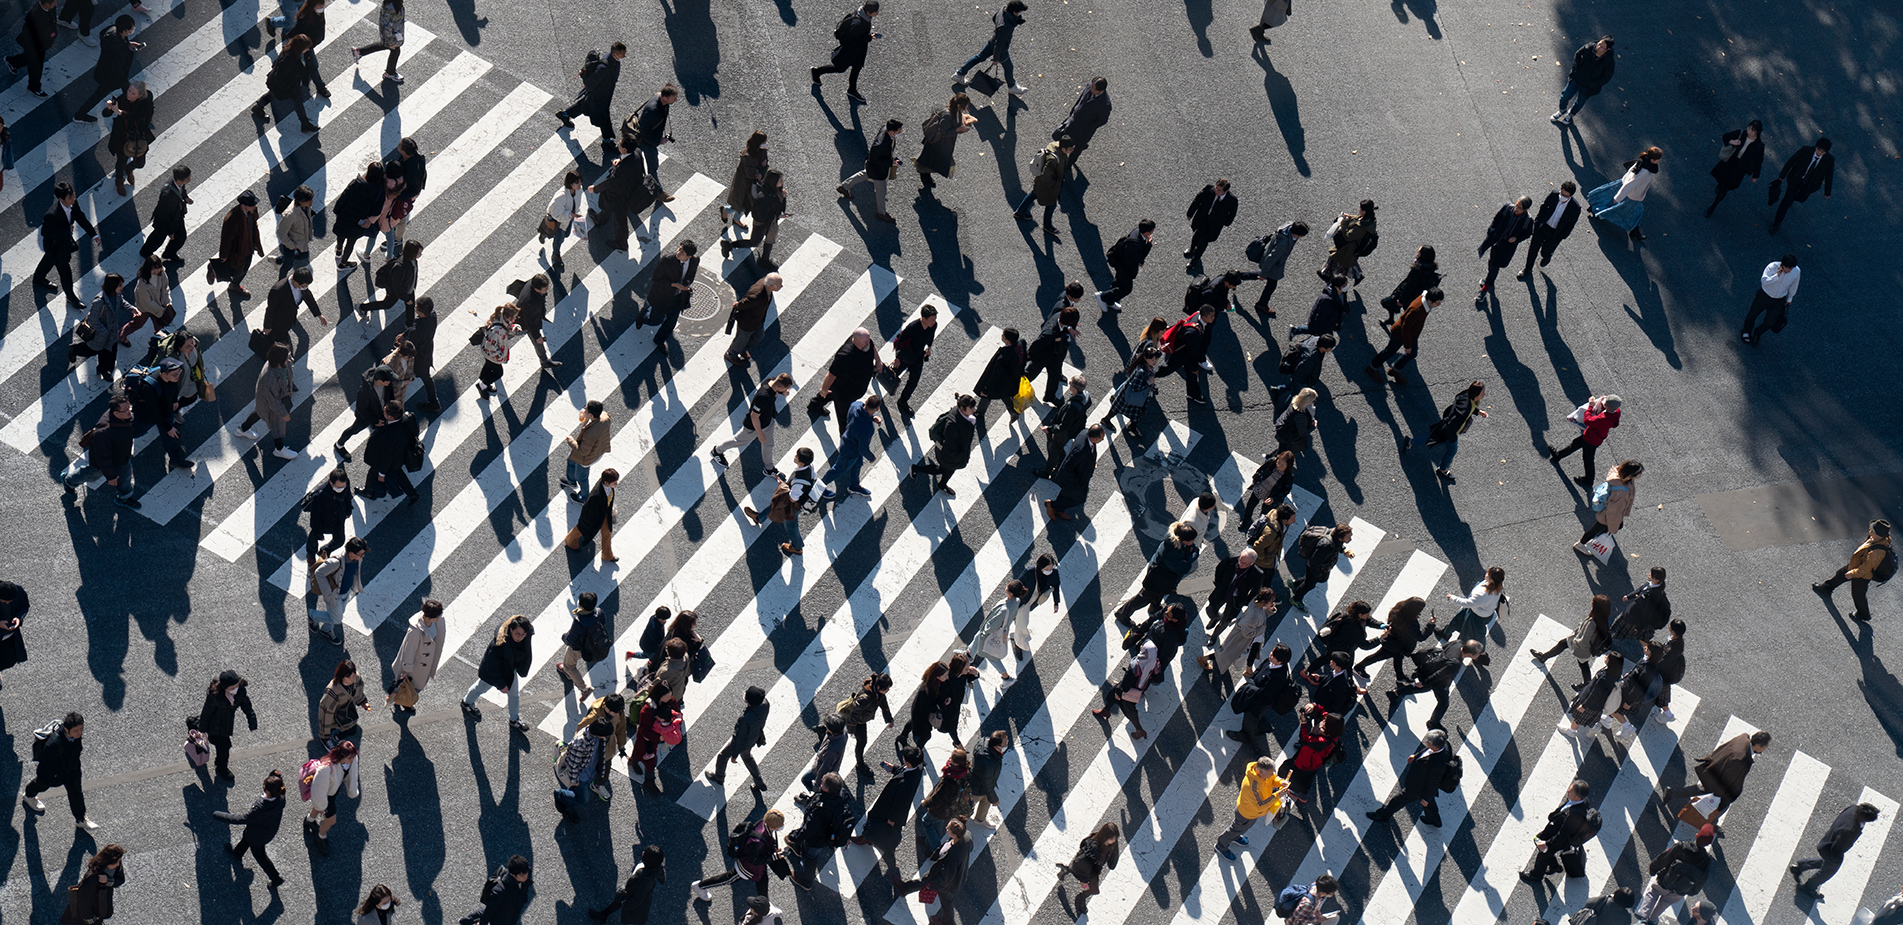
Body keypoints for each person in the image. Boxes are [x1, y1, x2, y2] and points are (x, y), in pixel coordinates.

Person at [1661, 730, 1771, 822]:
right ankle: (1711, 824)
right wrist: (1720, 795)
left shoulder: (1744, 738)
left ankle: (1672, 794)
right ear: (1757, 745)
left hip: (1714, 766)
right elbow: (1728, 778)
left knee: (1701, 789)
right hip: (1715, 776)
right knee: (1721, 804)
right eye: (1765, 747)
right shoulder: (1740, 759)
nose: (1765, 749)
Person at [1112, 521, 1201, 625]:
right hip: (1159, 578)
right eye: (1191, 540)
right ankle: (1122, 613)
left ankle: (1155, 608)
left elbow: (1195, 549)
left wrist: (1189, 556)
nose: (1193, 542)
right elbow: (1184, 568)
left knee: (1159, 593)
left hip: (1163, 577)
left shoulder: (1178, 541)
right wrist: (1190, 559)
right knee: (1143, 598)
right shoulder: (1173, 552)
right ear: (1184, 540)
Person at [1402, 379, 1489, 482]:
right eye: (1482, 392)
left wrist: (1478, 411)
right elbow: (1454, 424)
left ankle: (1409, 441)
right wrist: (1452, 438)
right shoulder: (1464, 411)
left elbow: (1470, 407)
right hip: (1450, 431)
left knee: (1432, 438)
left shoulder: (1468, 396)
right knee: (1452, 450)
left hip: (1445, 426)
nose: (1484, 394)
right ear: (1476, 394)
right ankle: (1442, 470)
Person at [1366, 728, 1453, 828]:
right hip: (1421, 783)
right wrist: (1416, 756)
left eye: (1429, 742)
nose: (1426, 742)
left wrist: (1426, 798)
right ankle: (1434, 819)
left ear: (1436, 747)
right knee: (1429, 804)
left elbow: (1433, 783)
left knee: (1398, 800)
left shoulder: (1438, 765)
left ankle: (1382, 815)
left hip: (1417, 786)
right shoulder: (1445, 744)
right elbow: (1428, 751)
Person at [1392, 638, 1487, 730]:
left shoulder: (1458, 643)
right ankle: (1433, 723)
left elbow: (1444, 647)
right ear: (1470, 654)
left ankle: (1395, 693)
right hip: (1440, 683)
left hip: (1431, 667)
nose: (1479, 654)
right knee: (1443, 703)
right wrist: (1424, 682)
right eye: (1478, 653)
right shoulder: (1455, 662)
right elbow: (1439, 675)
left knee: (1423, 688)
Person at [214, 770, 287, 887]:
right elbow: (277, 784)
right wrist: (276, 776)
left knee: (260, 856)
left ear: (267, 791)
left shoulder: (260, 809)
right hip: (267, 830)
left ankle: (276, 878)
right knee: (246, 838)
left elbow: (240, 818)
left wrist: (219, 815)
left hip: (257, 836)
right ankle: (237, 853)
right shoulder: (281, 798)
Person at [22, 711, 94, 829]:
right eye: (76, 730)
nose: (80, 733)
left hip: (71, 770)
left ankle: (80, 819)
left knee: (76, 793)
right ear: (66, 729)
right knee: (41, 785)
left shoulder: (75, 736)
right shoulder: (53, 744)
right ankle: (29, 795)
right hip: (53, 774)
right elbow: (45, 765)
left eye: (81, 729)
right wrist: (56, 775)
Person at [1791, 803, 1882, 896]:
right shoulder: (1850, 830)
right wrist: (1836, 860)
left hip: (1827, 840)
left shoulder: (1853, 808)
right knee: (1829, 870)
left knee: (1826, 863)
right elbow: (1838, 847)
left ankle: (1800, 866)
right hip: (1830, 849)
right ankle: (1809, 887)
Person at [854, 746, 922, 871]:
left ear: (908, 762)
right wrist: (894, 769)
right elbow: (904, 771)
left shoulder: (906, 784)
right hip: (892, 809)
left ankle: (867, 838)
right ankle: (878, 842)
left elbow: (899, 803)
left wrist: (891, 818)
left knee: (876, 822)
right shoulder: (916, 769)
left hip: (888, 809)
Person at [462, 615, 534, 731]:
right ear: (511, 630)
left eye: (523, 635)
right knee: (481, 688)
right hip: (493, 673)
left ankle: (514, 719)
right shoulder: (499, 644)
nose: (520, 637)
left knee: (514, 694)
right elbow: (491, 667)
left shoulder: (525, 637)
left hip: (509, 670)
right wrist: (501, 685)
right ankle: (467, 702)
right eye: (517, 634)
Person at [1519, 779, 1599, 883]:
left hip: (1557, 839)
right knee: (1538, 840)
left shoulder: (1575, 816)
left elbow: (1562, 835)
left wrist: (1547, 844)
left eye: (1570, 792)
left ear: (1578, 797)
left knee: (1543, 854)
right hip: (1554, 829)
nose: (1567, 792)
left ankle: (1536, 875)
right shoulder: (1578, 800)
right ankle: (1554, 866)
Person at [893, 818, 971, 925]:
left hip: (946, 883)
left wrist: (932, 885)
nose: (946, 828)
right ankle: (905, 888)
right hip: (955, 878)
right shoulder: (967, 836)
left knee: (937, 893)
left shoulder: (954, 855)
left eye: (948, 828)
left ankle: (904, 888)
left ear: (954, 834)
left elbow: (945, 877)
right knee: (946, 901)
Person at [1814, 519, 1892, 622]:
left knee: (1858, 594)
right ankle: (1826, 588)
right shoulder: (1875, 539)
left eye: (1872, 529)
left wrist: (1853, 573)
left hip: (1862, 574)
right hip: (1856, 564)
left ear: (1878, 534)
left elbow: (1866, 568)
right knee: (1841, 574)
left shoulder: (1877, 552)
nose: (1870, 529)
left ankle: (1864, 614)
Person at [33, 182, 97, 308]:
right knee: (65, 273)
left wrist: (93, 234)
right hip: (56, 247)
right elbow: (45, 232)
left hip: (62, 243)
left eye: (73, 195)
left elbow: (80, 216)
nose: (74, 198)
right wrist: (65, 230)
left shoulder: (72, 203)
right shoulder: (51, 215)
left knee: (48, 260)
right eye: (70, 197)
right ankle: (71, 298)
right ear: (61, 199)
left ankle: (38, 278)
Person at [712, 374, 793, 472]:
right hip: (754, 427)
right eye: (785, 388)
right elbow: (754, 416)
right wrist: (760, 434)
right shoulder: (763, 396)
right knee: (738, 441)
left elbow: (777, 392)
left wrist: (783, 392)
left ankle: (769, 468)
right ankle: (717, 451)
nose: (786, 390)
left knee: (768, 445)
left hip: (767, 422)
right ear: (779, 386)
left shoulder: (771, 381)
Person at [1212, 756, 1287, 860]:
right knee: (1235, 829)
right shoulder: (1252, 787)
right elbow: (1260, 804)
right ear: (1260, 772)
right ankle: (1221, 846)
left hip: (1253, 813)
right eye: (1271, 772)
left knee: (1242, 828)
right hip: (1246, 813)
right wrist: (1277, 795)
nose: (1273, 774)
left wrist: (1280, 782)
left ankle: (1236, 837)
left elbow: (1273, 778)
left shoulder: (1263, 775)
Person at [789, 771, 856, 889]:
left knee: (809, 858)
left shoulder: (821, 809)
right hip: (825, 836)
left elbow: (809, 829)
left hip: (816, 839)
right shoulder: (840, 796)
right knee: (810, 853)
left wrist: (794, 836)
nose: (820, 783)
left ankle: (805, 880)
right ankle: (800, 851)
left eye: (823, 783)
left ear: (828, 789)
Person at [744, 447, 815, 556]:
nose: (794, 456)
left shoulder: (799, 482)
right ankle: (759, 517)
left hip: (793, 507)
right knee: (775, 504)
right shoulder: (809, 467)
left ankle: (797, 547)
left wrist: (783, 485)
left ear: (801, 463)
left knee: (791, 527)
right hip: (799, 498)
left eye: (796, 456)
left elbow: (792, 498)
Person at [1636, 825, 1715, 923]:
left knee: (1653, 892)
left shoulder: (1681, 847)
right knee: (1665, 903)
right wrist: (1691, 891)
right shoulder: (1706, 861)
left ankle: (1643, 916)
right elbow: (1702, 880)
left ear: (1697, 835)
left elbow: (1664, 858)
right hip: (1680, 890)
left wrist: (1653, 869)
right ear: (1708, 844)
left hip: (1665, 881)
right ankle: (1652, 920)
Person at [590, 138, 655, 253]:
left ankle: (622, 243)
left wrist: (595, 189)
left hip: (622, 195)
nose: (618, 145)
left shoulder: (622, 169)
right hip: (632, 188)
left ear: (624, 149)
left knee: (620, 219)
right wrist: (619, 160)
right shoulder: (637, 152)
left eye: (619, 144)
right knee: (611, 206)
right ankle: (600, 219)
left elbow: (611, 182)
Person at [807, 328, 886, 423]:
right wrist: (823, 389)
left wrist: (878, 361)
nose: (868, 343)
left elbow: (873, 347)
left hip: (853, 387)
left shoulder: (866, 343)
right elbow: (831, 375)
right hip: (844, 393)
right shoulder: (844, 356)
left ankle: (814, 405)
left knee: (830, 394)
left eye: (868, 340)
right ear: (856, 340)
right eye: (865, 341)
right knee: (844, 417)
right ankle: (844, 435)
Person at [1365, 288, 1440, 387]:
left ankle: (1395, 369)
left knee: (1412, 354)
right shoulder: (1417, 310)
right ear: (1430, 301)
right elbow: (1406, 328)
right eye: (1437, 303)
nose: (1438, 305)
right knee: (1389, 352)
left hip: (1411, 334)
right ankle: (1372, 367)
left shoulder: (1425, 302)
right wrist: (1407, 346)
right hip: (1400, 334)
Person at [910, 394, 981, 498]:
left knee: (948, 470)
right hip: (949, 455)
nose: (974, 410)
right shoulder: (953, 425)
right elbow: (950, 446)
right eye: (971, 408)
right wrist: (960, 455)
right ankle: (917, 469)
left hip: (954, 455)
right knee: (943, 469)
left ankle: (941, 484)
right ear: (962, 408)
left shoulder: (961, 415)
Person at [1531, 593, 1613, 684]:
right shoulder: (1602, 620)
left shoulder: (1592, 624)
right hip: (1587, 650)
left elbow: (1583, 642)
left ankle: (1586, 684)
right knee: (1565, 646)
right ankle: (1544, 657)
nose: (1591, 602)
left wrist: (1574, 640)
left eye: (1593, 602)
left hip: (1581, 648)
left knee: (1582, 664)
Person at [1586, 147, 1662, 241]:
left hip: (1623, 183)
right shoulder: (1645, 172)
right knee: (1636, 211)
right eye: (1659, 158)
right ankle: (1634, 231)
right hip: (1633, 195)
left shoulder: (1642, 161)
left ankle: (1595, 208)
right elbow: (1630, 185)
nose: (1660, 160)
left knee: (1607, 196)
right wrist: (1618, 198)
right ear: (1652, 160)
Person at [69, 273, 134, 381]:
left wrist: (132, 309)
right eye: (120, 285)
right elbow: (92, 319)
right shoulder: (99, 301)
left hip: (111, 334)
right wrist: (104, 331)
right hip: (99, 335)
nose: (122, 287)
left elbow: (121, 303)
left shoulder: (117, 295)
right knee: (92, 350)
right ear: (112, 287)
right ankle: (74, 350)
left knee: (111, 353)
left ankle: (104, 370)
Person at [195, 670, 257, 782]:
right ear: (224, 687)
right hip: (214, 727)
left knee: (223, 746)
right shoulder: (215, 696)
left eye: (236, 685)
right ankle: (221, 767)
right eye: (232, 687)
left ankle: (192, 723)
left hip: (226, 725)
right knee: (224, 747)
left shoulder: (240, 692)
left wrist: (252, 721)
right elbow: (206, 713)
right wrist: (203, 729)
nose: (235, 689)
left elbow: (247, 706)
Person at [811, 1, 880, 102]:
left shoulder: (862, 16)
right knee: (840, 68)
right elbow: (852, 39)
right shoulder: (859, 24)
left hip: (858, 50)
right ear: (869, 12)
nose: (877, 13)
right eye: (876, 11)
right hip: (851, 50)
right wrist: (868, 37)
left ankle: (852, 89)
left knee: (857, 68)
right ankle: (817, 71)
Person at [301, 738, 360, 855]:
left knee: (320, 808)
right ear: (341, 756)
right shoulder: (325, 769)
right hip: (326, 795)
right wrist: (322, 806)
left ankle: (309, 820)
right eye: (350, 758)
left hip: (332, 790)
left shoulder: (349, 760)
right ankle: (321, 836)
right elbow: (318, 792)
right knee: (331, 820)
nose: (352, 760)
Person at [556, 43, 623, 145]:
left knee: (584, 105)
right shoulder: (604, 67)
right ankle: (607, 139)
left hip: (600, 93)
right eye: (622, 54)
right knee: (603, 115)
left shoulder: (613, 61)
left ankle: (565, 114)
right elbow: (590, 82)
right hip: (599, 95)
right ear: (615, 54)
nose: (624, 56)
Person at [1548, 394, 1623, 486]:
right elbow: (1607, 409)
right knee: (1575, 444)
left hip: (1590, 439)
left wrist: (1590, 407)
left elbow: (1588, 420)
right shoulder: (1616, 412)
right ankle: (1558, 456)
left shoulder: (1603, 418)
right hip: (1593, 438)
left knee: (1588, 459)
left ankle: (1589, 481)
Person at [952, 0, 1027, 92]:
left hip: (992, 41)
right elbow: (999, 45)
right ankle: (1012, 87)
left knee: (979, 57)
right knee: (1009, 67)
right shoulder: (1005, 27)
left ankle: (959, 74)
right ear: (1014, 12)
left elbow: (994, 18)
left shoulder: (1003, 9)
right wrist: (996, 59)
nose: (1021, 13)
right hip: (1001, 50)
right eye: (1020, 12)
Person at [706, 685, 771, 789]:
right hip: (754, 737)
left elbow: (739, 738)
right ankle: (759, 782)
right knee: (747, 757)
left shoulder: (745, 719)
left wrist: (734, 754)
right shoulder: (765, 704)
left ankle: (719, 778)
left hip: (744, 742)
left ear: (749, 702)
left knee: (722, 757)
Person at [839, 118, 902, 223]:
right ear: (892, 131)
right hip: (878, 171)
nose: (900, 132)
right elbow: (875, 160)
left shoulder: (885, 129)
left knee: (864, 174)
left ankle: (844, 186)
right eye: (899, 130)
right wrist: (890, 162)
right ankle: (881, 213)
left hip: (872, 168)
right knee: (881, 192)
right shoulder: (881, 144)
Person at [821, 395, 884, 500]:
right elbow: (862, 448)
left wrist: (872, 417)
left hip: (848, 441)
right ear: (877, 409)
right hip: (850, 452)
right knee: (838, 469)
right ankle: (819, 487)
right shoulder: (867, 428)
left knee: (857, 465)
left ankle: (854, 486)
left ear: (866, 401)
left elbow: (859, 414)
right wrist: (871, 457)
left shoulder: (855, 405)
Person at [553, 717, 614, 825]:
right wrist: (574, 779)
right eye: (605, 735)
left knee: (579, 795)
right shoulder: (580, 743)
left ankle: (568, 803)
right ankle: (560, 795)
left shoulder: (598, 737)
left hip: (590, 771)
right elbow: (573, 764)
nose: (606, 737)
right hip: (582, 777)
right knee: (582, 799)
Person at [387, 599, 444, 713]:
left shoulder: (434, 622)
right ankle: (406, 703)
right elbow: (409, 652)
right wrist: (407, 669)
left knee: (411, 687)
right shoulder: (415, 631)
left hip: (424, 663)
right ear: (429, 617)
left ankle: (404, 701)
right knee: (411, 688)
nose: (440, 618)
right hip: (416, 667)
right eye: (437, 616)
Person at [1574, 460, 1643, 555]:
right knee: (1596, 530)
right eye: (1639, 473)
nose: (1640, 475)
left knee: (1608, 527)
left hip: (1606, 508)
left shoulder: (1618, 475)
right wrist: (1612, 528)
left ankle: (1590, 540)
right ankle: (1581, 544)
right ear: (1630, 475)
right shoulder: (1622, 494)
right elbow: (1614, 512)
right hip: (1607, 516)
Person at [252, 34, 319, 132]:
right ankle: (304, 124)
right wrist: (289, 88)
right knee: (296, 101)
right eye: (306, 48)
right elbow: (281, 76)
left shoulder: (288, 51)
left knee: (272, 95)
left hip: (279, 84)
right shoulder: (288, 61)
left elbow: (275, 64)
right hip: (284, 86)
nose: (308, 50)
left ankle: (258, 107)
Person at [1769, 136, 1834, 235]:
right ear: (1816, 147)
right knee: (1786, 202)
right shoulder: (1805, 150)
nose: (1819, 153)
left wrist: (1827, 191)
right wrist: (1782, 176)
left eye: (1822, 152)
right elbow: (1791, 162)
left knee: (1801, 198)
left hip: (1810, 184)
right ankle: (1776, 224)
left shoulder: (1829, 160)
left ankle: (1793, 199)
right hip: (1796, 179)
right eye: (1818, 150)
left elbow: (1829, 175)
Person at [722, 168, 786, 267]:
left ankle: (764, 260)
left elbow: (780, 207)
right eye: (780, 180)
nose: (782, 182)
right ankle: (729, 245)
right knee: (754, 242)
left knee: (770, 239)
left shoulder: (777, 191)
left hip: (771, 221)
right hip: (762, 224)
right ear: (773, 182)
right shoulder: (763, 197)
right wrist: (777, 216)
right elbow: (760, 215)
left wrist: (783, 198)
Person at [1279, 704, 1343, 802]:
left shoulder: (1321, 742)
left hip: (1306, 761)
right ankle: (1303, 794)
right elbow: (1322, 712)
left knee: (1291, 770)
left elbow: (1305, 740)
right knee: (1307, 778)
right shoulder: (1333, 732)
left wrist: (1304, 722)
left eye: (1325, 722)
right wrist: (1313, 706)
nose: (1322, 721)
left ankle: (1295, 790)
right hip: (1315, 761)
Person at [101, 76, 153, 196]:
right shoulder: (123, 99)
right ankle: (119, 180)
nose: (129, 94)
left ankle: (130, 168)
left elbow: (136, 116)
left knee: (140, 162)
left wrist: (120, 112)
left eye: (133, 93)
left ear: (139, 95)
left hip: (140, 135)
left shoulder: (145, 102)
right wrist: (109, 108)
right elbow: (106, 114)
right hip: (122, 136)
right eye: (129, 91)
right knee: (121, 160)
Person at [1242, 220, 1307, 315]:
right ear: (1296, 234)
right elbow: (1271, 259)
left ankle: (1239, 275)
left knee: (1268, 280)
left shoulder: (1288, 226)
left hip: (1272, 259)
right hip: (1275, 265)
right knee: (1271, 284)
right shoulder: (1283, 244)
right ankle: (1261, 304)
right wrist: (1264, 273)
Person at [1475, 196, 1535, 299]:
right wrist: (1491, 231)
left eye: (1520, 208)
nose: (1516, 208)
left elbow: (1528, 234)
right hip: (1496, 241)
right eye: (1517, 205)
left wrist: (1516, 238)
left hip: (1506, 247)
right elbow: (1496, 219)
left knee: (1494, 266)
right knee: (1491, 261)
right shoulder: (1507, 208)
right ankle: (1490, 280)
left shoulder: (1528, 221)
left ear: (1526, 209)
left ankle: (1485, 289)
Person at [1014, 136, 1075, 236]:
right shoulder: (1054, 160)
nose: (1072, 150)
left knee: (1033, 194)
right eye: (1070, 149)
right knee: (1051, 204)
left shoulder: (1055, 146)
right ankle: (1047, 225)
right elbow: (1047, 176)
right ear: (1063, 149)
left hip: (1040, 183)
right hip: (1047, 185)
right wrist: (1055, 185)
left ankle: (1020, 212)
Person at [1519, 183, 1582, 279]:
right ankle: (1527, 269)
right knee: (1533, 249)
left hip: (1556, 233)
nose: (1562, 197)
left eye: (1565, 196)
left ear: (1571, 196)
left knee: (1545, 251)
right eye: (1562, 193)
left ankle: (1547, 256)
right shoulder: (1554, 195)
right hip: (1543, 227)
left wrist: (1562, 236)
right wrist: (1537, 222)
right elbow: (1543, 207)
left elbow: (1571, 224)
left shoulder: (1575, 207)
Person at [914, 92, 975, 192]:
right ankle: (925, 179)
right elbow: (943, 132)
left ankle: (926, 178)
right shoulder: (947, 115)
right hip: (937, 144)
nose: (967, 107)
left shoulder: (956, 111)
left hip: (943, 144)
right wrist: (957, 130)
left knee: (932, 162)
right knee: (931, 162)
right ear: (959, 106)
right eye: (966, 105)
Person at [720, 273, 784, 367]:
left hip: (758, 320)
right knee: (741, 340)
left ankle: (742, 349)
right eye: (780, 284)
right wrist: (737, 305)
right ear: (770, 286)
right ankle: (731, 354)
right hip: (748, 322)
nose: (781, 286)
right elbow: (744, 303)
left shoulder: (766, 283)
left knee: (759, 337)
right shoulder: (756, 296)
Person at [1550, 36, 1616, 125]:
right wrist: (1575, 69)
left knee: (1580, 102)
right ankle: (1562, 111)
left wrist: (1592, 84)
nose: (1598, 46)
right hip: (1577, 79)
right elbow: (1577, 54)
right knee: (1564, 96)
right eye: (1599, 43)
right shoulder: (1589, 47)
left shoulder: (1609, 62)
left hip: (1588, 87)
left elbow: (1606, 78)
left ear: (1607, 49)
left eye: (1602, 46)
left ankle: (1570, 114)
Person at [334, 366, 397, 459]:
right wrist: (375, 421)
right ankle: (339, 445)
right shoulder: (365, 391)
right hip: (366, 417)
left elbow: (390, 396)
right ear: (380, 380)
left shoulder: (387, 385)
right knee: (354, 430)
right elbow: (362, 409)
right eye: (388, 380)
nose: (390, 382)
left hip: (381, 412)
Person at [643, 241, 699, 343]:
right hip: (662, 296)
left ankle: (659, 341)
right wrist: (673, 285)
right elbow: (656, 279)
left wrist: (687, 283)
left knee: (671, 323)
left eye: (682, 253)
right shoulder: (667, 261)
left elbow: (692, 273)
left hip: (678, 297)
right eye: (679, 249)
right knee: (655, 321)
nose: (678, 252)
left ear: (689, 257)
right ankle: (642, 315)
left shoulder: (694, 261)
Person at [262, 266, 327, 354]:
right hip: (277, 322)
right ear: (295, 281)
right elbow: (270, 309)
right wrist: (267, 326)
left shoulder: (301, 287)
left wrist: (318, 314)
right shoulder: (278, 290)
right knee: (276, 342)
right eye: (303, 286)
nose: (305, 288)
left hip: (289, 319)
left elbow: (308, 297)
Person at [1739, 254, 1801, 346]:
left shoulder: (1796, 271)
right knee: (1752, 314)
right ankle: (1746, 331)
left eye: (1791, 268)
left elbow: (1794, 285)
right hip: (1764, 296)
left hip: (1779, 300)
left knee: (1770, 321)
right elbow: (1764, 281)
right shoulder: (1772, 267)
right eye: (1788, 268)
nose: (1790, 270)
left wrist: (1790, 297)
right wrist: (1776, 276)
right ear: (1783, 265)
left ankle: (1758, 332)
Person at [591, 845, 665, 922]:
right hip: (631, 891)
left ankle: (603, 915)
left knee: (631, 919)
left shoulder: (643, 882)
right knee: (617, 902)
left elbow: (636, 900)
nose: (642, 852)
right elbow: (662, 878)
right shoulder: (655, 869)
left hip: (632, 898)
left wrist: (625, 902)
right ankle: (603, 915)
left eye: (644, 853)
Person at [1706, 120, 1764, 217]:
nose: (1749, 131)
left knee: (1724, 188)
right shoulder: (1741, 133)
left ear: (1757, 132)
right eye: (1749, 127)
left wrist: (1755, 175)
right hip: (1729, 162)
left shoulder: (1759, 145)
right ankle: (1720, 187)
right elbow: (1725, 136)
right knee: (1721, 180)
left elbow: (1759, 161)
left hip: (1739, 170)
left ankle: (1713, 206)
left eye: (1752, 130)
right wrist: (1732, 141)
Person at [1289, 522, 1353, 611]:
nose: (1350, 539)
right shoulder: (1326, 546)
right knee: (1309, 584)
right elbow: (1314, 563)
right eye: (1348, 537)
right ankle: (1296, 599)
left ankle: (1295, 584)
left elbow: (1338, 545)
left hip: (1322, 567)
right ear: (1340, 537)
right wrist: (1317, 575)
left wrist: (1343, 550)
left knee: (1312, 579)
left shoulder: (1335, 539)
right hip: (1316, 569)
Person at [1053, 76, 1111, 170]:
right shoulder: (1090, 86)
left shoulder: (1104, 105)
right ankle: (1060, 156)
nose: (1091, 89)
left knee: (1076, 150)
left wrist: (1088, 127)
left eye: (1093, 89)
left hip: (1083, 131)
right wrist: (1073, 112)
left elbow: (1102, 120)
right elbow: (1081, 99)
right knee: (1061, 138)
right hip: (1073, 121)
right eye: (1091, 86)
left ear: (1101, 91)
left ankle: (1068, 164)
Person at [1096, 219, 1154, 313]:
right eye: (1152, 230)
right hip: (1125, 267)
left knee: (1118, 282)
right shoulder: (1135, 243)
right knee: (1126, 288)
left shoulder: (1137, 232)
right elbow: (1140, 257)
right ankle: (1102, 297)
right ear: (1147, 232)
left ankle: (1110, 301)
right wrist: (1149, 245)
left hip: (1122, 262)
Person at [559, 401, 611, 502]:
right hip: (598, 449)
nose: (584, 409)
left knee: (582, 477)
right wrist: (586, 417)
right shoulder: (605, 416)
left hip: (586, 458)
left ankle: (584, 497)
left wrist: (570, 441)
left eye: (586, 409)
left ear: (591, 414)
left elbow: (583, 451)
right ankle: (571, 481)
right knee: (571, 461)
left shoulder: (590, 433)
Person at [564, 469, 620, 563]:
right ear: (606, 483)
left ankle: (607, 555)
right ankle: (570, 541)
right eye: (614, 482)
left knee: (607, 533)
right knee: (581, 529)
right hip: (593, 517)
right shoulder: (596, 496)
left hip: (604, 513)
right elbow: (591, 511)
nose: (616, 484)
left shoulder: (607, 487)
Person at [141, 165, 194, 262]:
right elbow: (164, 215)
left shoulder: (178, 182)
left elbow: (182, 191)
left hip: (176, 216)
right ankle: (145, 252)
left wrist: (185, 198)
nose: (190, 179)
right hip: (164, 221)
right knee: (158, 238)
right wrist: (170, 231)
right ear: (180, 179)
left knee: (181, 236)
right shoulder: (167, 194)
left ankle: (169, 253)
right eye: (188, 178)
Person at [1380, 246, 1443, 323]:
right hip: (1417, 297)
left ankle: (1395, 324)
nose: (1417, 252)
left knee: (1387, 303)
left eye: (1419, 251)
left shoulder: (1417, 270)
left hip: (1408, 295)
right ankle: (1395, 322)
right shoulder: (1430, 267)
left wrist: (1401, 300)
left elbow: (1409, 286)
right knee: (1408, 314)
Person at [9, 0, 59, 95]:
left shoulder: (48, 8)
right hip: (35, 45)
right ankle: (34, 86)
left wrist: (51, 41)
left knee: (30, 58)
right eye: (54, 2)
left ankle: (13, 62)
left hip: (40, 44)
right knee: (36, 67)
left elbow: (51, 25)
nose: (56, 4)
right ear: (47, 4)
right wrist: (47, 44)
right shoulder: (36, 16)